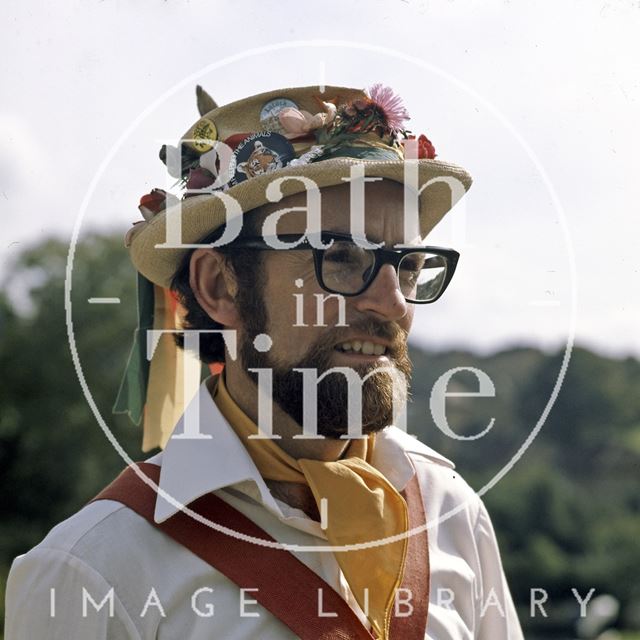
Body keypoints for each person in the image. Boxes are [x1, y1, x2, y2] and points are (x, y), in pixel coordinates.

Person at [4, 83, 524, 639]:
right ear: (219, 286)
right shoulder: (92, 571)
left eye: (410, 265)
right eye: (341, 258)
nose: (393, 303)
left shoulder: (454, 514)